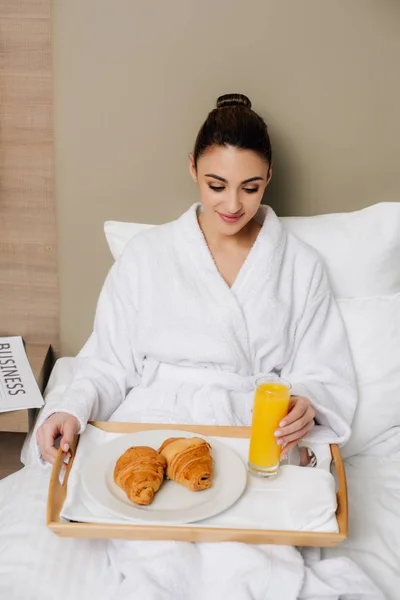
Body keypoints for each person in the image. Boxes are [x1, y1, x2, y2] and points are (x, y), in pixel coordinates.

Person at [1, 93, 371, 600]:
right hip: (158, 416)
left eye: (251, 187)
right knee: (157, 552)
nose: (233, 205)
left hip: (246, 427)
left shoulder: (299, 266)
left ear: (270, 177)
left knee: (250, 560)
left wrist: (306, 402)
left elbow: (323, 370)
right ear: (193, 167)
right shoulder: (147, 256)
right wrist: (69, 407)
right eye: (216, 185)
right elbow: (108, 361)